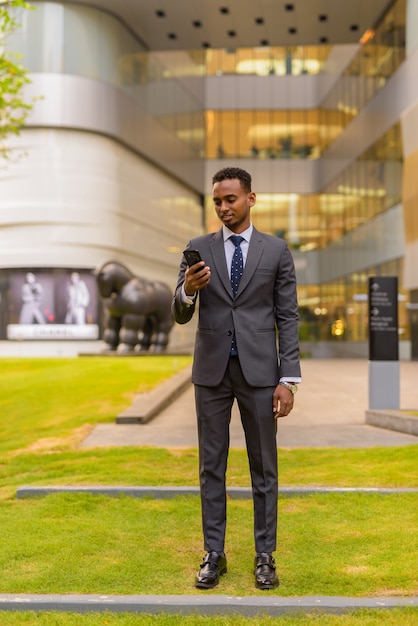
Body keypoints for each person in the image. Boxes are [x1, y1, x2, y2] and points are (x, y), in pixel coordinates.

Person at [172, 167, 301, 590]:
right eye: (217, 201)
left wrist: (289, 379)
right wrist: (189, 289)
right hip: (211, 373)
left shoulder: (277, 250)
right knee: (212, 466)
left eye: (230, 199)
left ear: (251, 198)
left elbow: (287, 316)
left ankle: (265, 556)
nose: (223, 208)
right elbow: (180, 310)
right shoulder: (197, 248)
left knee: (264, 467)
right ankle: (215, 553)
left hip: (262, 374)